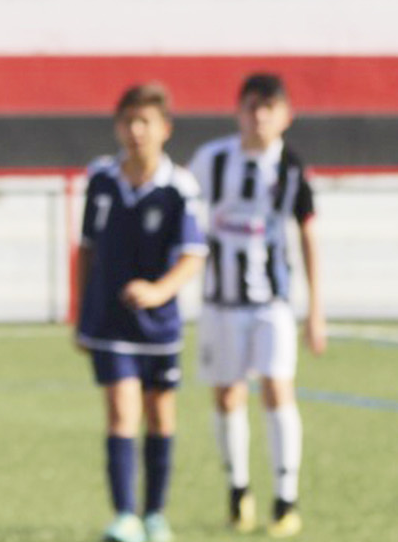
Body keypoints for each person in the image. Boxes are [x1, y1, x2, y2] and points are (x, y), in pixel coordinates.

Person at [187, 74, 323, 538]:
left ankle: (286, 498)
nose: (260, 116)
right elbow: (183, 211)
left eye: (270, 108)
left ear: (286, 115)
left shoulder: (290, 167)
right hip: (221, 302)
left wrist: (316, 309)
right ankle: (237, 490)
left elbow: (307, 234)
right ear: (238, 111)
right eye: (252, 107)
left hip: (272, 303)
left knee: (277, 389)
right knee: (227, 395)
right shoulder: (212, 160)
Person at [72, 83, 207, 542]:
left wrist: (158, 291)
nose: (135, 131)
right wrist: (81, 314)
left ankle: (155, 514)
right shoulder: (101, 179)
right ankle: (125, 515)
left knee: (161, 417)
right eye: (127, 121)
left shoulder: (179, 188)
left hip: (160, 326)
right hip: (109, 322)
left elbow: (193, 255)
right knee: (120, 412)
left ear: (164, 129)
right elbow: (87, 250)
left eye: (144, 122)